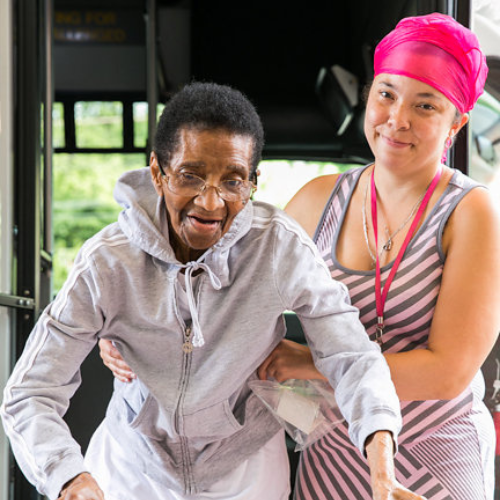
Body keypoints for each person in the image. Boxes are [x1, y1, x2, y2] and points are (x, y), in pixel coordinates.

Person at [99, 13, 499, 500]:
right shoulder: (317, 200)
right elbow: (213, 290)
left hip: (434, 454)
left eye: (426, 105)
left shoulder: (473, 212)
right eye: (386, 94)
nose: (398, 118)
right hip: (331, 449)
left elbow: (448, 372)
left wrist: (310, 361)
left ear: (457, 121)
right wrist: (130, 335)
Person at [0, 82, 425, 500]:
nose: (210, 202)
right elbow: (30, 392)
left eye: (233, 181)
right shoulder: (107, 263)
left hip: (247, 466)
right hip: (132, 466)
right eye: (191, 176)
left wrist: (383, 471)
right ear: (157, 172)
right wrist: (69, 480)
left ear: (253, 183)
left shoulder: (278, 247)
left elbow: (352, 358)